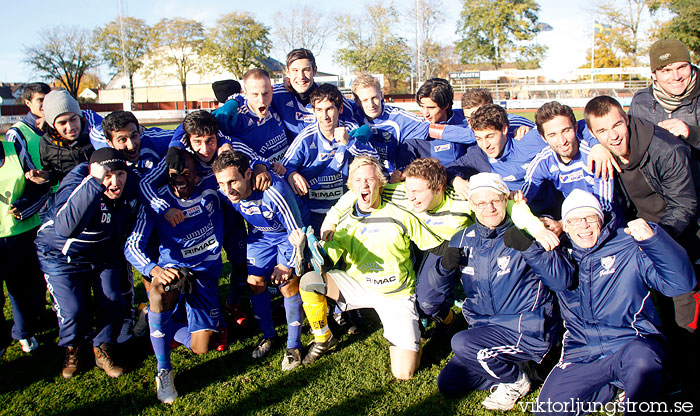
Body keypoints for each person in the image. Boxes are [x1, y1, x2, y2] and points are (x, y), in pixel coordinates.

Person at [535, 190, 697, 415]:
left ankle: (640, 390)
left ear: (601, 220)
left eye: (590, 218)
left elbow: (680, 284)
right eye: (574, 220)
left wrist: (654, 240)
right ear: (566, 226)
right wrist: (536, 230)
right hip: (582, 351)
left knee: (642, 362)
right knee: (547, 410)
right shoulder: (559, 253)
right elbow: (522, 243)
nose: (583, 226)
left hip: (631, 344)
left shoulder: (627, 246)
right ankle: (607, 388)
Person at [584, 94, 700, 395]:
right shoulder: (602, 147)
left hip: (677, 235)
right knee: (653, 309)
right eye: (602, 132)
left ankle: (688, 378)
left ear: (627, 119)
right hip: (637, 235)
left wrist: (655, 241)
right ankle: (658, 368)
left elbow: (685, 205)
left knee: (682, 306)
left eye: (617, 126)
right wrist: (597, 145)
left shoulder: (666, 149)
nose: (613, 136)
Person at [296, 156, 445, 380]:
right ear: (351, 186)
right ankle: (323, 336)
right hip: (359, 287)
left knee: (404, 373)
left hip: (396, 296)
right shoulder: (344, 221)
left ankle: (417, 328)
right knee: (309, 281)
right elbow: (327, 259)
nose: (364, 184)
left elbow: (431, 245)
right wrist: (310, 248)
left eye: (370, 179)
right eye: (357, 180)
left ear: (380, 183)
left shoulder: (400, 214)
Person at [433, 172, 570, 411]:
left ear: (506, 199)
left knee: (462, 343)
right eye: (481, 203)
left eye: (495, 201)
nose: (489, 208)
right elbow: (435, 293)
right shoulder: (463, 238)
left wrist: (529, 248)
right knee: (449, 383)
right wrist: (444, 268)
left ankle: (516, 381)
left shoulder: (528, 230)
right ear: (472, 206)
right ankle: (521, 366)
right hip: (484, 330)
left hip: (525, 329)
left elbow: (560, 281)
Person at [125, 148, 232, 403]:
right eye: (174, 174)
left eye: (187, 173)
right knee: (158, 292)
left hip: (205, 277)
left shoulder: (212, 190)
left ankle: (151, 317)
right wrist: (155, 270)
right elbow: (132, 246)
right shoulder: (155, 204)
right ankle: (164, 370)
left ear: (198, 175)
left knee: (202, 347)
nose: (181, 179)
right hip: (175, 270)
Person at [35, 148, 139, 379]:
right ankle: (73, 348)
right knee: (73, 310)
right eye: (108, 175)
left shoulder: (130, 183)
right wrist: (93, 183)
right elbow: (65, 228)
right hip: (61, 256)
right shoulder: (78, 181)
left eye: (120, 174)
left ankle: (102, 348)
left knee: (112, 299)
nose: (115, 182)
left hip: (103, 253)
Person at [213, 150, 307, 369]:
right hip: (261, 236)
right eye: (221, 184)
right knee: (254, 282)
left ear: (247, 175)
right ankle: (268, 335)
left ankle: (293, 345)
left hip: (288, 234)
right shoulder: (228, 193)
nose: (227, 190)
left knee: (286, 283)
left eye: (233, 181)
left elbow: (297, 229)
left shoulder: (275, 192)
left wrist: (286, 265)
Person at [281, 83, 378, 232]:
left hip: (345, 210)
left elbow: (374, 158)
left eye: (329, 109)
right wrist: (291, 173)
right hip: (312, 213)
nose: (325, 116)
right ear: (313, 111)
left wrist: (350, 142)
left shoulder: (350, 131)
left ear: (339, 109)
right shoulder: (306, 138)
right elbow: (284, 166)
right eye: (319, 110)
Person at [351, 74, 475, 177]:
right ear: (357, 101)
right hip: (364, 178)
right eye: (365, 100)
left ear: (382, 95)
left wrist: (475, 135)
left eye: (375, 98)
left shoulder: (400, 118)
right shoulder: (351, 114)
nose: (371, 104)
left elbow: (433, 129)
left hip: (390, 179)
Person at [446, 104, 555, 215]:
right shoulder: (478, 155)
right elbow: (447, 170)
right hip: (511, 216)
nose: (485, 145)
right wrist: (455, 180)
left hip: (550, 211)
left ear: (504, 129)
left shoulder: (528, 141)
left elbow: (564, 131)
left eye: (490, 136)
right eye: (479, 138)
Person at [0, 136, 48, 354]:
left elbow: (39, 187)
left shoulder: (14, 149)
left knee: (21, 289)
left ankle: (24, 332)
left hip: (20, 235)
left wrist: (24, 207)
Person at [523, 101, 615, 213]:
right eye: (552, 135)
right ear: (543, 138)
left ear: (576, 128)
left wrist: (564, 223)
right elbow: (523, 198)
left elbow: (605, 206)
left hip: (604, 218)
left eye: (566, 130)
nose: (562, 141)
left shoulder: (594, 155)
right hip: (572, 218)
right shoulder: (543, 162)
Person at [271, 48, 359, 140]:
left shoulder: (330, 96)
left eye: (306, 70)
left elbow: (354, 123)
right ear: (287, 72)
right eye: (295, 70)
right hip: (294, 153)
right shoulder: (276, 94)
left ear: (315, 70)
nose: (301, 76)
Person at [629, 39, 700, 150]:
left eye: (682, 67)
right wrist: (598, 146)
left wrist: (692, 133)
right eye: (666, 70)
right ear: (654, 75)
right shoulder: (641, 101)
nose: (676, 77)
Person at [398, 78, 471, 167]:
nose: (425, 114)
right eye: (422, 107)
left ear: (446, 105)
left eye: (431, 108)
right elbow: (404, 171)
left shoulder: (466, 118)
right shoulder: (415, 135)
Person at [5, 82, 51, 170]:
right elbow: (13, 170)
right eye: (40, 100)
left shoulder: (64, 125)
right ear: (28, 103)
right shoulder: (16, 133)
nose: (45, 104)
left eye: (48, 100)